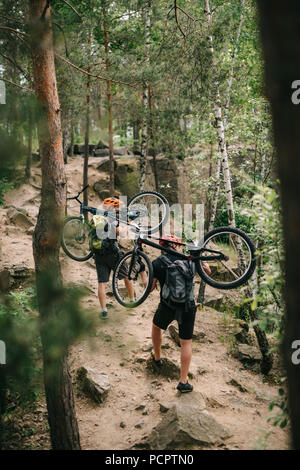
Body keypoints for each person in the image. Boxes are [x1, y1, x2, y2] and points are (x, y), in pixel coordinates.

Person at [150, 234, 211, 393]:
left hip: (167, 306)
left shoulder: (157, 262)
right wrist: (199, 257)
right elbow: (208, 272)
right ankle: (183, 381)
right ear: (176, 245)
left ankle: (157, 358)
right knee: (186, 343)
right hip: (188, 307)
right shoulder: (188, 259)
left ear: (162, 246)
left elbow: (149, 288)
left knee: (157, 328)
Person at [93, 197, 135, 319]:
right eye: (116, 207)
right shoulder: (111, 218)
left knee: (102, 283)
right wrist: (128, 225)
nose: (118, 209)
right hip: (113, 254)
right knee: (127, 275)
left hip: (99, 255)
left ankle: (104, 310)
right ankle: (132, 301)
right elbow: (119, 232)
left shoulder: (98, 217)